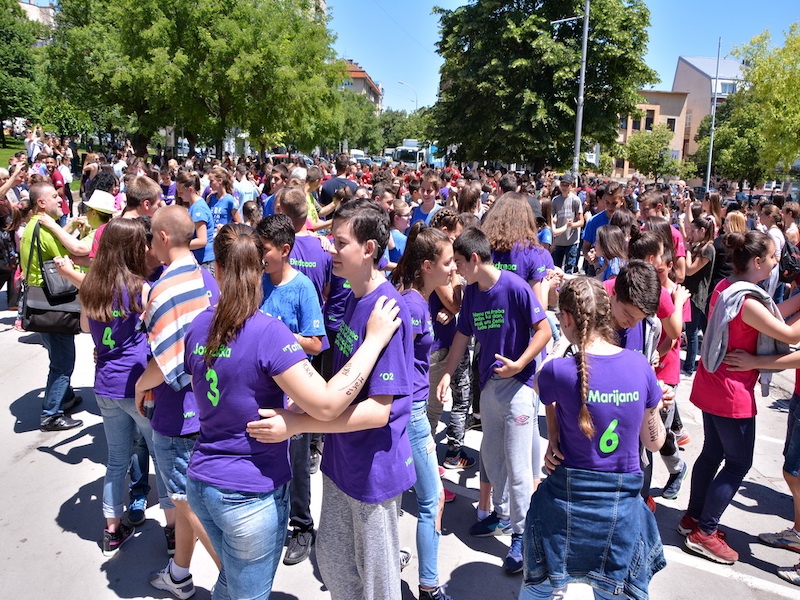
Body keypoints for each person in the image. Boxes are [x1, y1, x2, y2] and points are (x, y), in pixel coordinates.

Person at [184, 222, 401, 599]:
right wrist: (375, 340)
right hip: (249, 492)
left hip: (203, 483)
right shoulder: (268, 332)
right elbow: (328, 403)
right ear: (259, 269)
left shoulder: (199, 325)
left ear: (215, 269)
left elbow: (215, 387)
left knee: (231, 581)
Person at [247, 197, 416, 600]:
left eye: (340, 243)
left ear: (369, 249)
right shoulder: (355, 298)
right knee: (337, 566)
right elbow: (343, 380)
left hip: (372, 472)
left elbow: (378, 411)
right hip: (342, 462)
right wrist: (306, 402)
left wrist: (299, 423)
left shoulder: (387, 311)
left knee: (376, 584)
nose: (330, 249)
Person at [520, 277, 666, 600]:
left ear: (567, 318)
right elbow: (655, 443)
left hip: (565, 506)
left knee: (539, 590)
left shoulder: (559, 371)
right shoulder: (640, 366)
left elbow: (543, 388)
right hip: (620, 514)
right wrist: (655, 405)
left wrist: (553, 436)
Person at [437, 226, 551, 574]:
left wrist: (520, 363)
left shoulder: (515, 287)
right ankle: (502, 516)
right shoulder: (472, 293)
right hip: (489, 387)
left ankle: (522, 535)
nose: (455, 270)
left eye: (458, 263)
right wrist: (447, 373)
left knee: (518, 466)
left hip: (519, 386)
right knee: (492, 457)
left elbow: (545, 330)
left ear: (474, 259)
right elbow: (462, 335)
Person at [682, 230, 800, 564]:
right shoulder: (748, 303)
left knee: (711, 454)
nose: (777, 262)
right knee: (738, 464)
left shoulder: (728, 287)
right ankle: (704, 532)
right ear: (758, 261)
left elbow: (776, 312)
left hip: (712, 383)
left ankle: (692, 518)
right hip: (731, 392)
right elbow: (790, 332)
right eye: (773, 256)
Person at [68, 218, 172, 553]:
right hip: (137, 383)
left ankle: (112, 529)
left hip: (104, 384)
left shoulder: (91, 288)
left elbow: (87, 328)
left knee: (116, 459)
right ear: (131, 249)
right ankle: (173, 530)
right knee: (160, 455)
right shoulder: (141, 288)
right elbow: (159, 333)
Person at [135, 206, 221, 598]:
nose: (149, 246)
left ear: (164, 237)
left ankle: (236, 583)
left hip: (176, 413)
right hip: (207, 404)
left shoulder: (164, 288)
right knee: (185, 497)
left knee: (188, 504)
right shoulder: (208, 279)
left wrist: (140, 385)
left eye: (151, 237)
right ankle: (179, 574)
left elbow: (166, 361)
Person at [256, 214, 326, 567]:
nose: (259, 256)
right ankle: (272, 520)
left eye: (264, 250)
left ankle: (302, 526)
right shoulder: (257, 282)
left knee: (297, 463)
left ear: (285, 250)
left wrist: (279, 335)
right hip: (261, 389)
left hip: (294, 396)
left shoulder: (303, 289)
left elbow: (316, 344)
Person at [392, 223, 456, 600]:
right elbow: (397, 364)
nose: (453, 268)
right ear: (427, 265)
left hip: (412, 411)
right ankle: (429, 586)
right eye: (448, 263)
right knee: (432, 501)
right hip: (413, 414)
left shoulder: (417, 300)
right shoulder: (414, 305)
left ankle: (393, 561)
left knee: (398, 499)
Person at [20, 183, 84, 431]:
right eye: (55, 196)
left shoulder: (33, 226)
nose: (60, 199)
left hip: (40, 303)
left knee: (57, 355)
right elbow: (71, 254)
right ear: (41, 203)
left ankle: (64, 397)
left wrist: (68, 227)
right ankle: (51, 415)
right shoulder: (45, 228)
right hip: (55, 304)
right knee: (63, 362)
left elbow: (51, 245)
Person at [682, 216, 716, 376]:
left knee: (692, 332)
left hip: (698, 295)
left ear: (703, 230)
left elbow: (689, 270)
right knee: (698, 330)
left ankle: (689, 366)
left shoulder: (708, 249)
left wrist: (688, 250)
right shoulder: (700, 247)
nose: (691, 234)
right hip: (692, 292)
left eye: (693, 230)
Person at [550, 174, 584, 274]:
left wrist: (572, 225)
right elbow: (551, 217)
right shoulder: (555, 200)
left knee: (569, 269)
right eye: (562, 185)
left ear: (571, 186)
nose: (564, 187)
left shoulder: (575, 200)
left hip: (572, 241)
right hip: (558, 241)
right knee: (556, 269)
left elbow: (581, 221)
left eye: (567, 185)